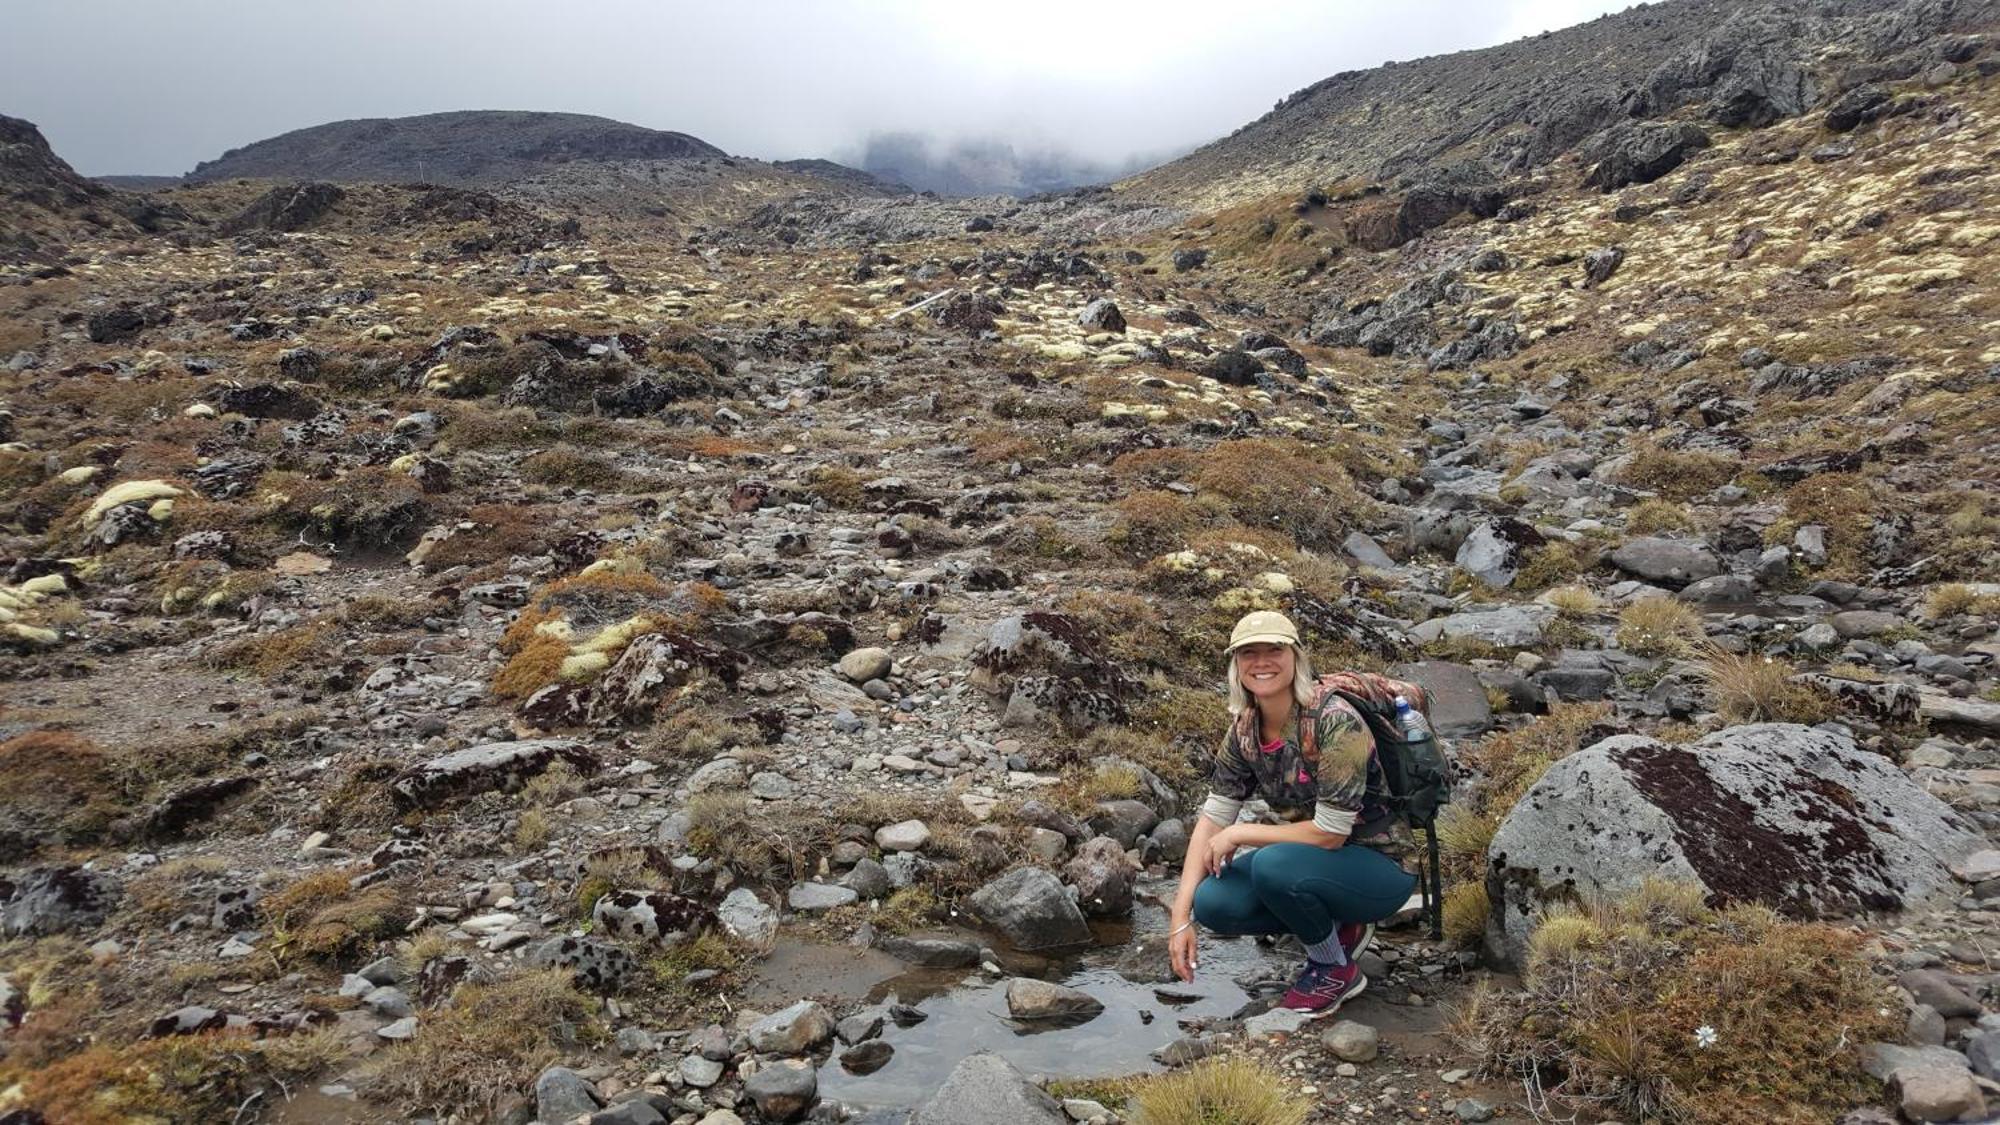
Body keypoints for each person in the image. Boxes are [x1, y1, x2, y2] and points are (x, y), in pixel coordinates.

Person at [1166, 610, 1422, 1015]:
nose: (1262, 661)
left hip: (1381, 865)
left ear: (1296, 658)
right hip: (1317, 864)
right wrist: (1180, 920)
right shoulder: (1244, 730)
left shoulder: (1336, 721)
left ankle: (1333, 967)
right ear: (1236, 664)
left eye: (1274, 650)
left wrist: (1242, 833)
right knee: (1214, 902)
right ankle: (1338, 927)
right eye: (1249, 653)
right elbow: (1214, 817)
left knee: (1272, 865)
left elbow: (1331, 834)